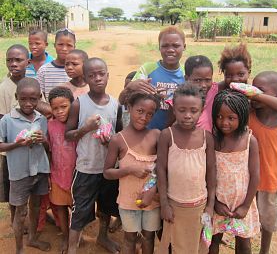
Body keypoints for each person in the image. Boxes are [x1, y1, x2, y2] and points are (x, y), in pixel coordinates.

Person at [65, 58, 122, 254]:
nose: (97, 78)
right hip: (86, 168)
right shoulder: (79, 104)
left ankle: (103, 236)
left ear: (108, 75)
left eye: (101, 74)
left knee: (106, 206)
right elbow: (68, 134)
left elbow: (120, 136)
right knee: (80, 209)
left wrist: (111, 141)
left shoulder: (116, 105)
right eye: (92, 75)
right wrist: (86, 128)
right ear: (86, 78)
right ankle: (72, 247)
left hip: (108, 168)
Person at [157, 83, 216, 253]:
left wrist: (210, 205)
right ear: (173, 109)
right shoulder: (167, 135)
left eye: (193, 110)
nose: (187, 115)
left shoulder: (207, 138)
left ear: (202, 110)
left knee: (196, 245)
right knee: (174, 243)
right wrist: (164, 204)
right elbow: (160, 170)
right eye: (182, 110)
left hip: (200, 205)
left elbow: (211, 172)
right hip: (174, 205)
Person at [104, 92, 161, 254]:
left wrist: (153, 189)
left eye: (150, 114)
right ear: (129, 108)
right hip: (128, 200)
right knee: (129, 238)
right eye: (140, 111)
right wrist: (129, 169)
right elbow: (107, 173)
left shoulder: (155, 135)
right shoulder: (118, 139)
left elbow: (162, 166)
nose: (144, 117)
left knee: (148, 237)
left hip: (152, 200)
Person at [0, 77, 50, 254]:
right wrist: (17, 144)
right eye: (23, 99)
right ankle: (19, 248)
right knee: (20, 212)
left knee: (35, 206)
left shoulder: (42, 119)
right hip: (19, 173)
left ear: (40, 98)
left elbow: (48, 146)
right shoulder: (7, 120)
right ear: (16, 97)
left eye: (33, 99)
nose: (28, 103)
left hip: (40, 170)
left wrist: (44, 140)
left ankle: (33, 238)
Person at [209, 89, 260, 254]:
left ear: (242, 117)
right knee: (213, 240)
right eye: (219, 116)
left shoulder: (249, 141)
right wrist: (215, 203)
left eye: (231, 118)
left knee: (244, 243)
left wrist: (245, 206)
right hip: (219, 203)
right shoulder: (213, 140)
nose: (224, 122)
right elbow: (208, 174)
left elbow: (255, 176)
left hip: (242, 203)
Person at [249, 71, 277, 254]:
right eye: (252, 88)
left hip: (272, 183)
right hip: (249, 182)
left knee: (268, 222)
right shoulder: (248, 116)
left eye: (260, 90)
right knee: (249, 220)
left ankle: (264, 251)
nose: (253, 93)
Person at [119, 26, 185, 130]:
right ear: (159, 47)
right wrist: (130, 87)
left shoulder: (186, 75)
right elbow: (122, 101)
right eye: (165, 46)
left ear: (184, 47)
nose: (170, 50)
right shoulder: (147, 69)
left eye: (176, 46)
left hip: (172, 136)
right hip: (144, 134)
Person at [47, 86, 76, 253]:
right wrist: (49, 174)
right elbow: (49, 150)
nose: (59, 111)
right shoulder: (50, 125)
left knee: (76, 208)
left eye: (64, 106)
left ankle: (74, 235)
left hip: (76, 176)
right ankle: (65, 236)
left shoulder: (78, 123)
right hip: (57, 174)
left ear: (72, 104)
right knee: (60, 207)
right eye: (55, 108)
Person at [166, 55, 218, 132]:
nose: (203, 85)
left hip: (206, 141)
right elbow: (168, 125)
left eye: (207, 80)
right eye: (197, 80)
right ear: (186, 78)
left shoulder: (215, 90)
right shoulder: (180, 99)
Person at [37, 28, 76, 100]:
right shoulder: (44, 71)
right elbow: (40, 99)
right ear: (54, 45)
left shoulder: (79, 71)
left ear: (74, 47)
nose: (64, 48)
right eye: (60, 44)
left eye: (69, 45)